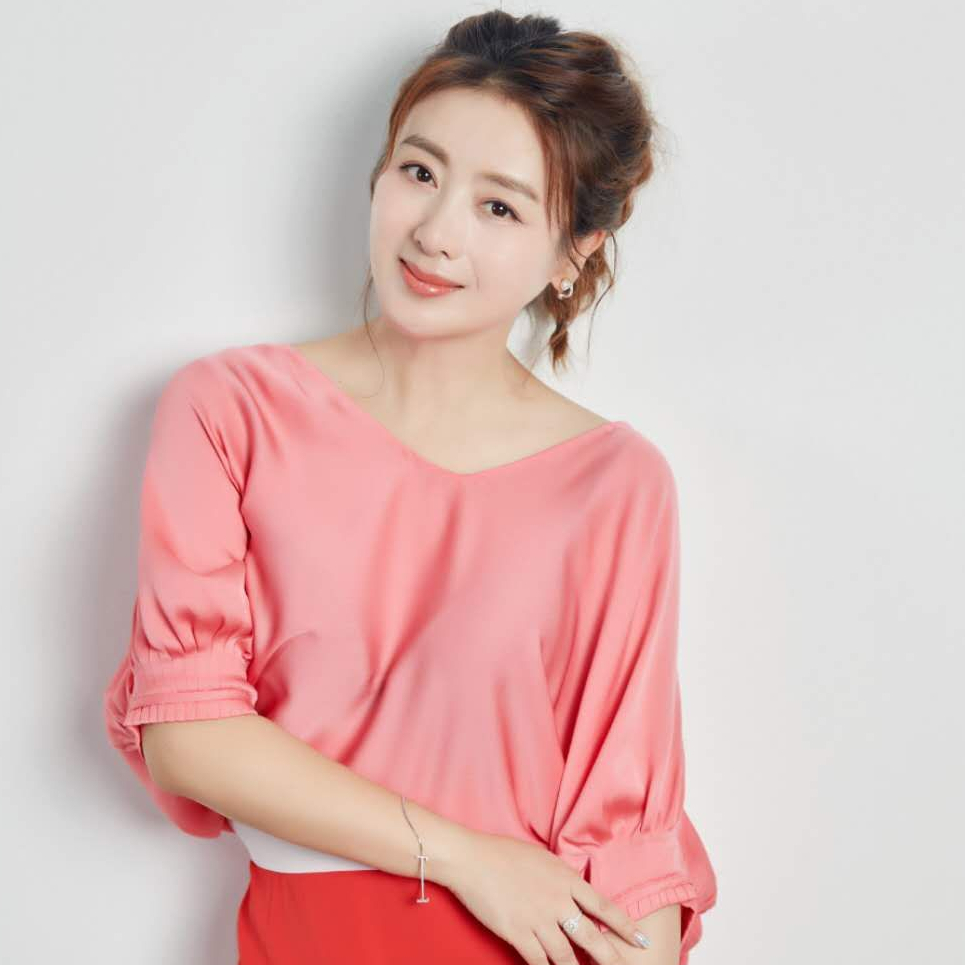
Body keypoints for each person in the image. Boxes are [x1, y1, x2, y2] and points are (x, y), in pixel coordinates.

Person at [102, 9, 717, 964]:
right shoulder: (232, 410)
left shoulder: (615, 485)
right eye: (420, 172)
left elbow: (630, 841)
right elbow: (189, 733)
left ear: (574, 251)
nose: (434, 233)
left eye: (499, 207)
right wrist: (471, 858)